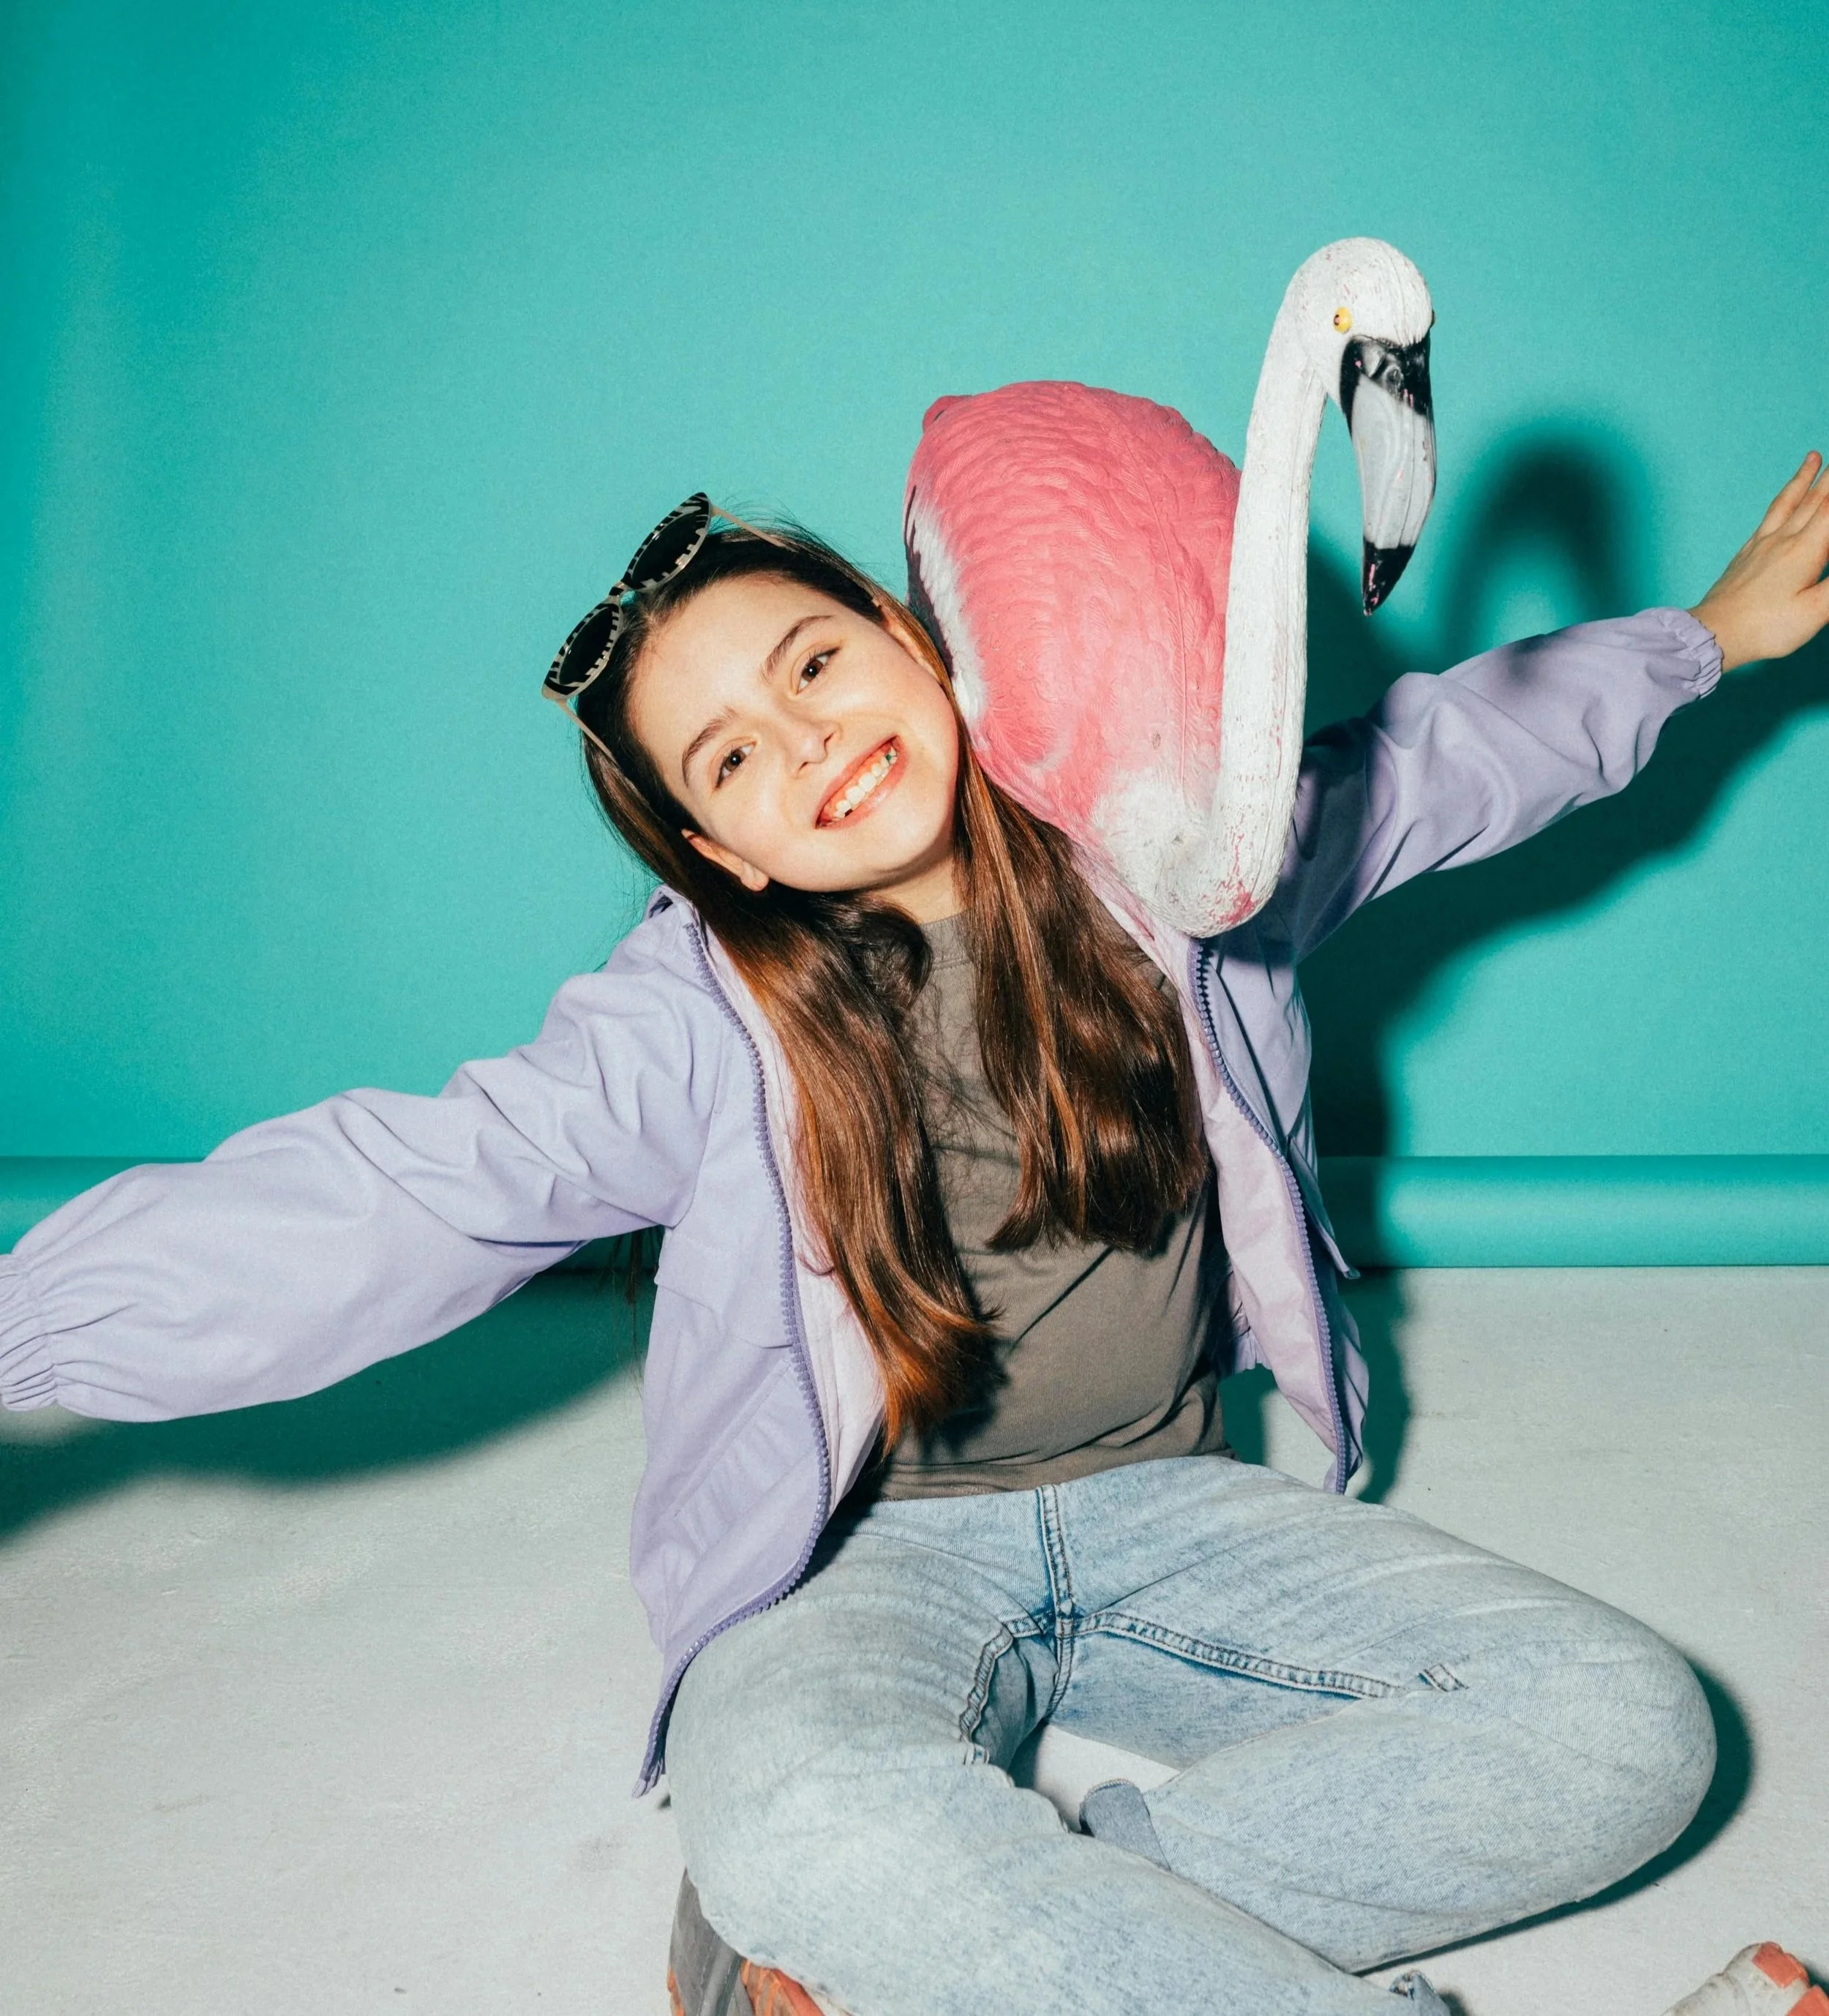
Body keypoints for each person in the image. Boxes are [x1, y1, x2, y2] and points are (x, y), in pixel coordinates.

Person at [5, 456, 1828, 2016]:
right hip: (854, 1557)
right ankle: (918, 1922)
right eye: (729, 756)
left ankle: (955, 1946)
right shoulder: (690, 1029)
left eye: (813, 661)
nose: (804, 736)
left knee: (1624, 1729)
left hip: (1166, 1506)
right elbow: (397, 1192)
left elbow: (1429, 764)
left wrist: (1700, 641)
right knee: (800, 1825)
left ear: (916, 635)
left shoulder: (1173, 848)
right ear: (717, 856)